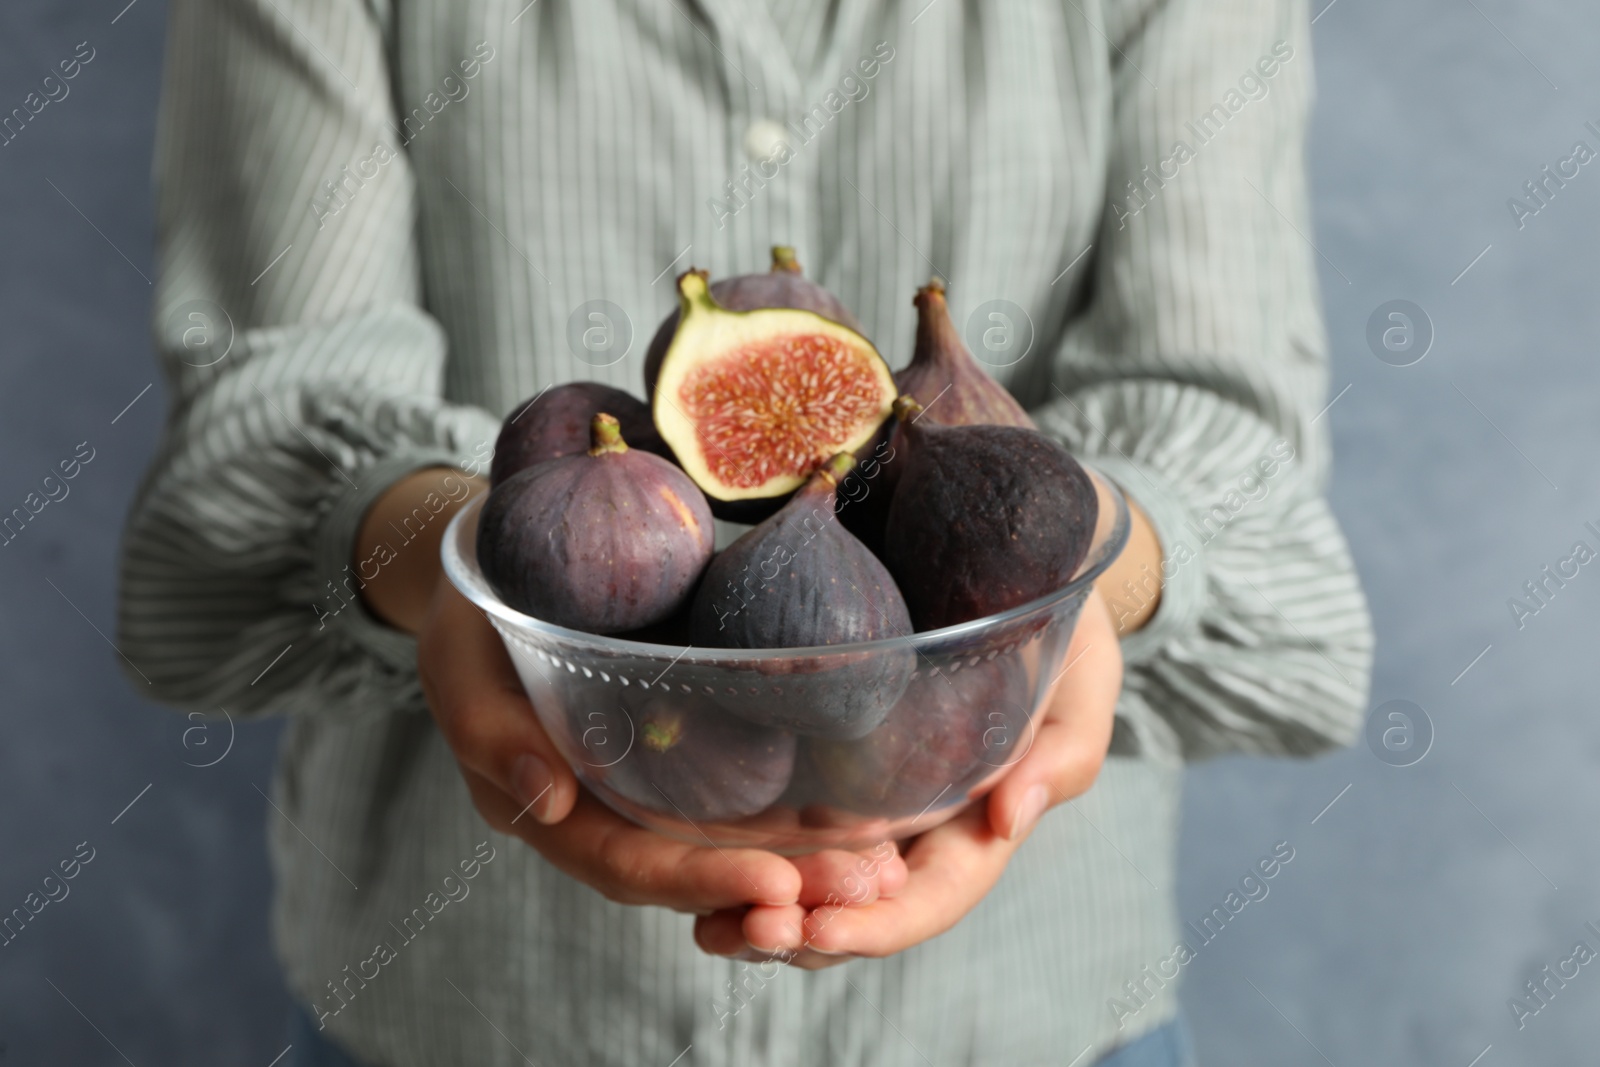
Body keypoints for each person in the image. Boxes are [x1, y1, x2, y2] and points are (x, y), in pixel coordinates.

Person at [119, 0, 1373, 1064]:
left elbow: (1235, 447)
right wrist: (462, 561)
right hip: (472, 1000)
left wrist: (1082, 571)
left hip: (1028, 1013)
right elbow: (260, 436)